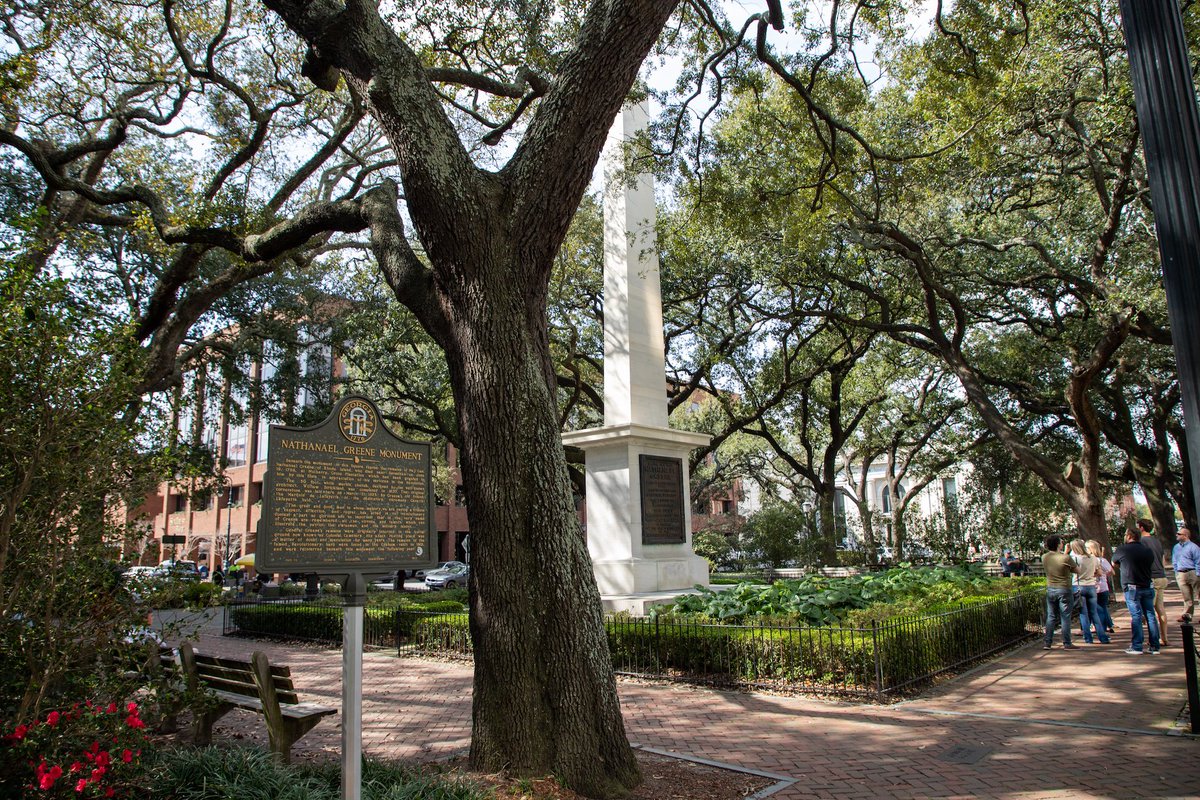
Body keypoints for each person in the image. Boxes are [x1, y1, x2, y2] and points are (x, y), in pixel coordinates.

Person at [1112, 527, 1161, 654]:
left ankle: (1137, 646)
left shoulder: (1122, 549)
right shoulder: (1147, 550)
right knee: (1150, 615)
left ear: (1129, 536)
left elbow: (1114, 563)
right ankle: (1155, 646)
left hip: (1132, 586)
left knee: (1136, 616)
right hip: (1147, 585)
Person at [1042, 534, 1080, 650]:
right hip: (1064, 588)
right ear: (1059, 545)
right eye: (1061, 542)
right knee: (1065, 616)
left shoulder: (1044, 557)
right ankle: (1067, 643)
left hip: (1051, 588)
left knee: (1051, 616)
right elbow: (1077, 570)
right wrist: (1066, 553)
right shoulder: (1065, 558)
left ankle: (1047, 642)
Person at [1068, 539, 1109, 644]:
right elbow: (1099, 572)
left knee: (1083, 614)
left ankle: (1088, 638)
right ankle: (1102, 637)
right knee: (1094, 612)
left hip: (1078, 586)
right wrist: (1091, 575)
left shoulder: (1073, 559)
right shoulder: (1093, 558)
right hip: (1091, 586)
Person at [1137, 519, 1170, 647]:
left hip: (1150, 578)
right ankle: (1164, 637)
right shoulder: (1157, 541)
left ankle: (1153, 638)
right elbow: (1162, 560)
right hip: (1161, 576)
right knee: (1160, 609)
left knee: (1148, 610)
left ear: (1141, 528)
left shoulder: (1141, 542)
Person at [1086, 539, 1116, 633]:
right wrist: (1104, 574)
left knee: (1094, 609)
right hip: (1103, 587)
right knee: (1102, 608)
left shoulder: (1088, 560)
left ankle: (1098, 628)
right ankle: (1104, 627)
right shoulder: (1103, 560)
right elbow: (1112, 571)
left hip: (1093, 587)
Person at [1172, 526, 1200, 623]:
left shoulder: (1193, 547)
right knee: (1187, 597)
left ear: (1186, 535)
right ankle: (1187, 616)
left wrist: (1198, 574)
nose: (1177, 535)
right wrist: (1176, 572)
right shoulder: (1176, 547)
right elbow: (1174, 561)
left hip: (1192, 572)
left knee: (1199, 595)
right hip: (1181, 574)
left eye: (1179, 534)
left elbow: (1198, 561)